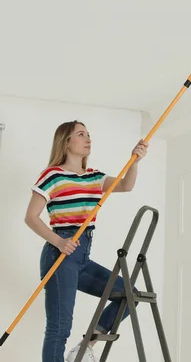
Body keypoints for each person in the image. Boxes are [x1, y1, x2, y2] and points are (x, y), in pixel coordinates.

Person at [24, 120, 148, 362]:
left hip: (82, 257)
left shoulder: (94, 177)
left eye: (88, 134)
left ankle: (86, 344)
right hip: (59, 255)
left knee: (128, 294)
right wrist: (58, 242)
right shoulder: (53, 175)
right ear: (66, 142)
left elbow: (126, 185)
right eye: (81, 134)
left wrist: (135, 161)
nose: (88, 138)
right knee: (59, 327)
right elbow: (31, 217)